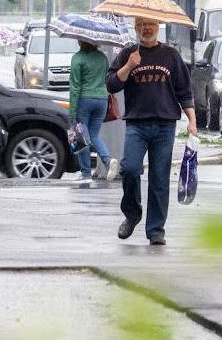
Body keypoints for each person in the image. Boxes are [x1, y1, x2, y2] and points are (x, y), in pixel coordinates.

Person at [106, 17, 197, 246]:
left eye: (151, 24)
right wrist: (128, 66)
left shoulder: (171, 56)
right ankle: (132, 213)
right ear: (136, 27)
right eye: (142, 24)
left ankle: (156, 229)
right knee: (129, 169)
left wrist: (192, 121)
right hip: (136, 124)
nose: (147, 28)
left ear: (158, 27)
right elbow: (111, 85)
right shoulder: (128, 54)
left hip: (165, 125)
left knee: (159, 178)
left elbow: (184, 91)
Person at [70, 41, 113, 180]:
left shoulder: (78, 58)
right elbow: (105, 78)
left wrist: (72, 112)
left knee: (82, 136)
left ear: (80, 41)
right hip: (102, 100)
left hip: (85, 100)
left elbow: (75, 87)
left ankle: (86, 173)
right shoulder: (103, 57)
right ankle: (108, 161)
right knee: (94, 135)